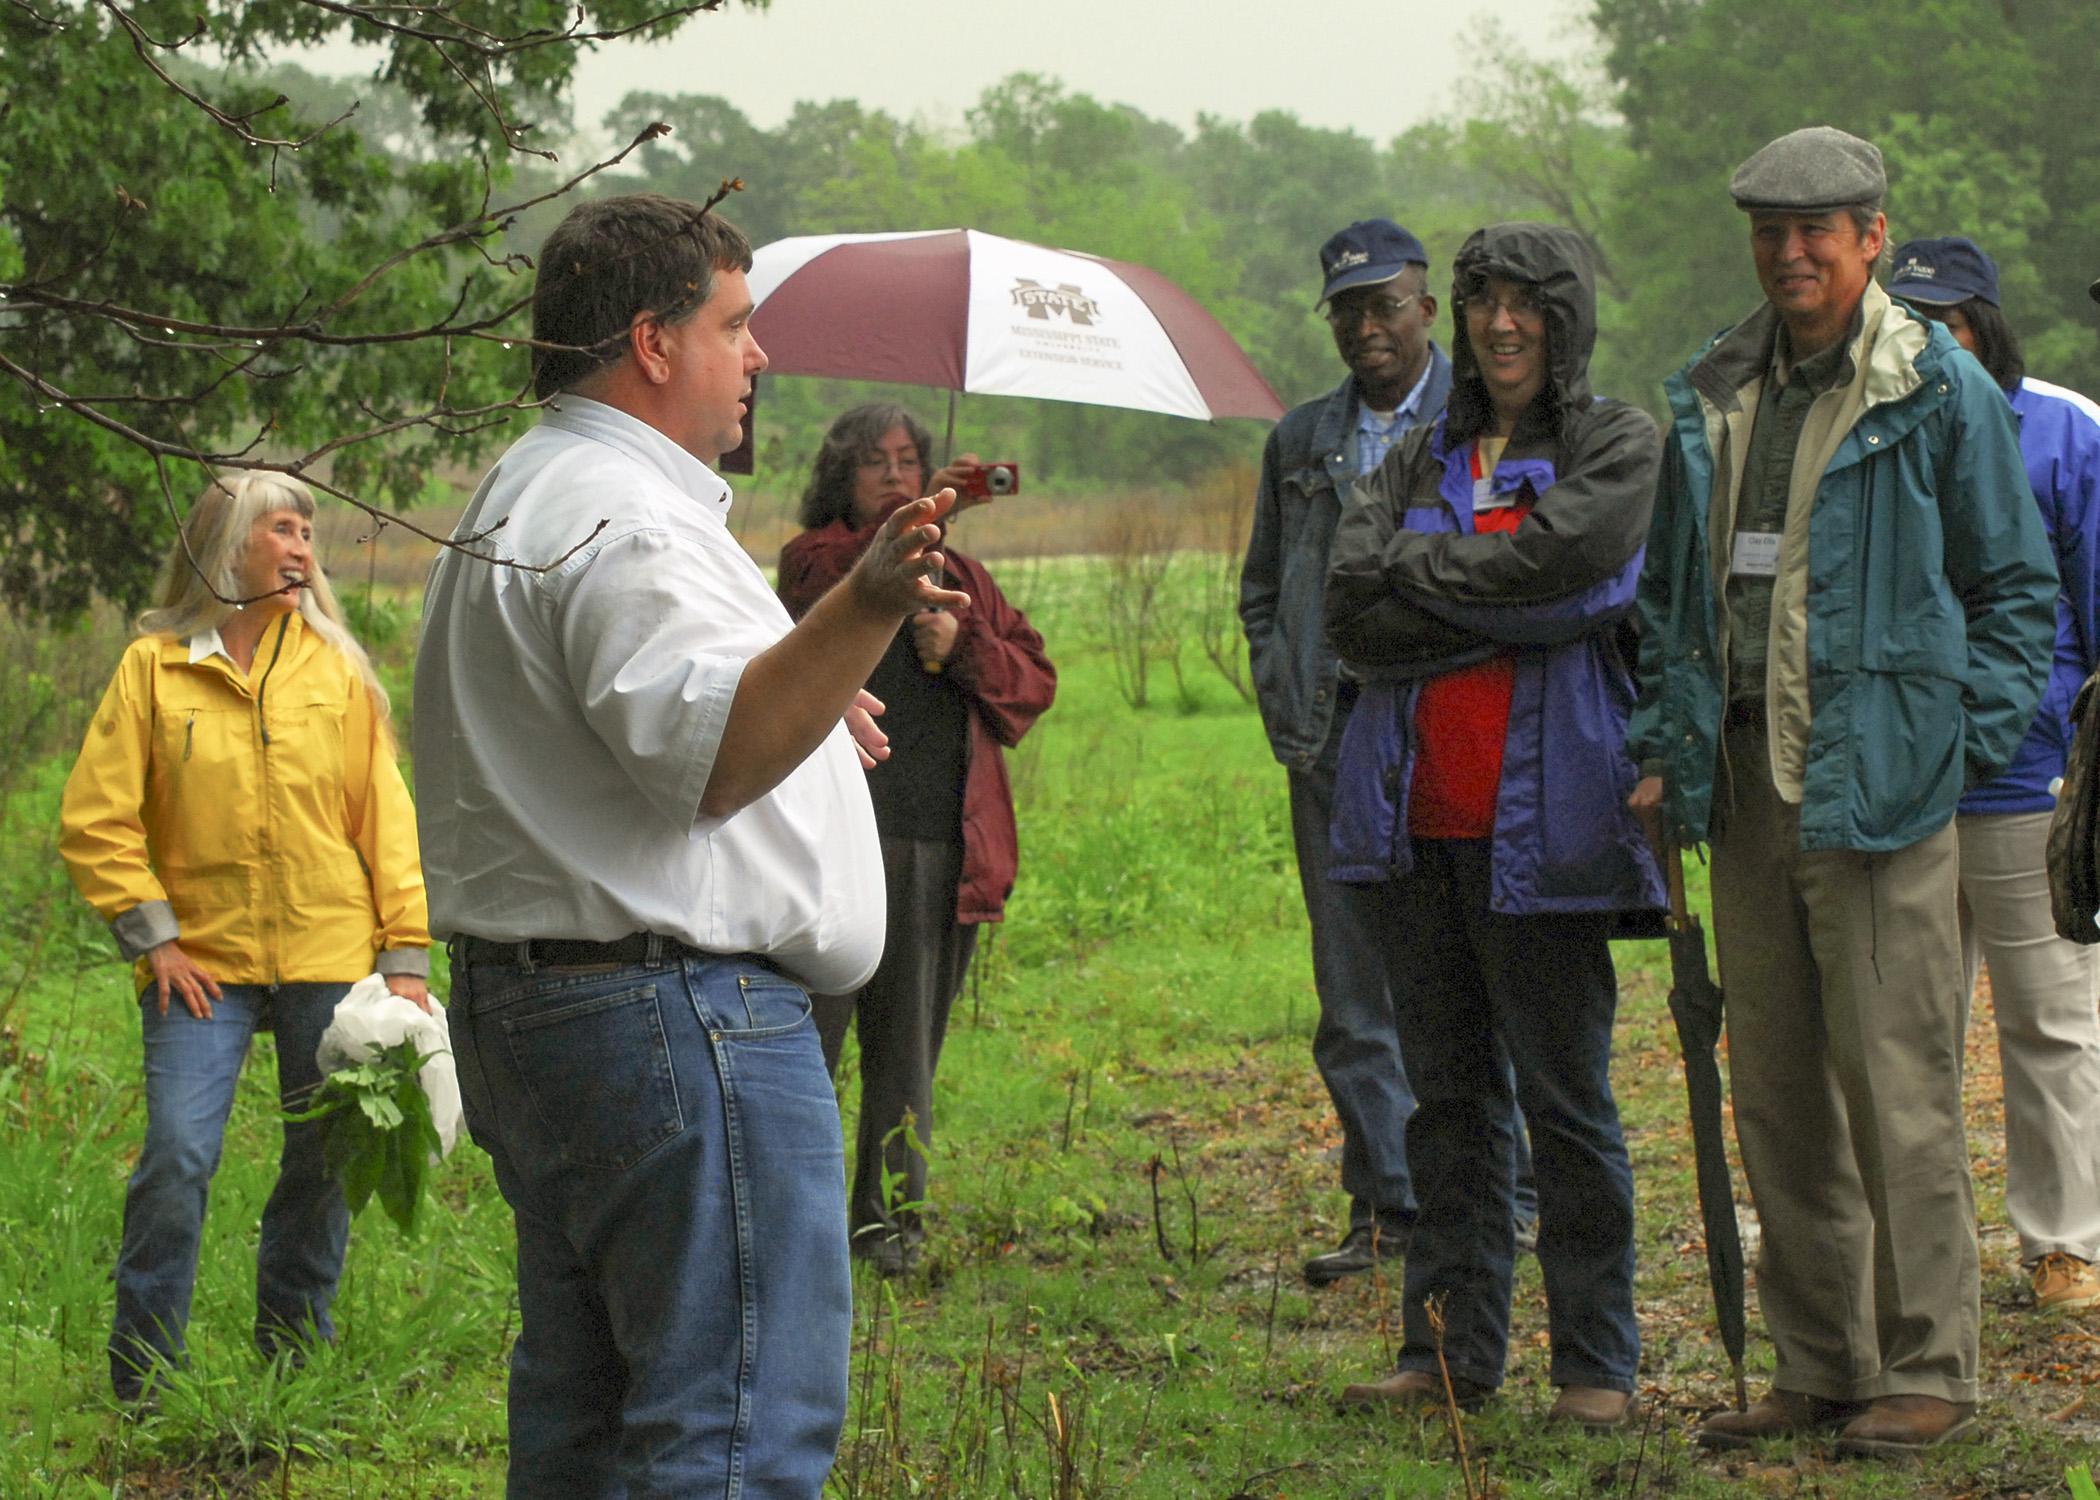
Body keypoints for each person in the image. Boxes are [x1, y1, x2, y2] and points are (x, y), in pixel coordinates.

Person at [414, 193, 961, 1498]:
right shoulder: (625, 514)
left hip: (567, 1006)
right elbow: (712, 755)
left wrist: (815, 684)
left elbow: (667, 720)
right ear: (654, 344)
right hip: (672, 1016)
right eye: (736, 324)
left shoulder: (536, 491)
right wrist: (868, 601)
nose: (758, 356)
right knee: (733, 1433)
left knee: (591, 1427)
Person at [1626, 128, 2058, 1457]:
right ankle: (1822, 1360)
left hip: (1880, 800)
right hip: (1745, 792)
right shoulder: (1711, 389)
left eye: (1820, 229)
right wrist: (1665, 742)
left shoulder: (1937, 389)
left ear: (1874, 236)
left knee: (1900, 1089)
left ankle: (1930, 1363)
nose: (1792, 252)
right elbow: (1670, 603)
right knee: (1779, 1096)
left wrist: (1947, 750)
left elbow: (2016, 597)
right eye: (1771, 230)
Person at [1325, 222, 1663, 1430]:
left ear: (1563, 315)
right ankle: (1444, 1353)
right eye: (1482, 303)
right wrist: (1507, 588)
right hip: (1412, 824)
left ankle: (1596, 1368)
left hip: (1552, 829)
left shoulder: (1616, 443)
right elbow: (1350, 610)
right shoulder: (1420, 456)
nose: (1501, 323)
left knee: (1568, 1106)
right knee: (1445, 1102)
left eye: (1526, 302)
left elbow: (1592, 575)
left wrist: (1431, 572)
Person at [58, 472, 430, 1402]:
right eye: (285, 529)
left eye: (309, 533)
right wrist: (155, 940)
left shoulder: (336, 668)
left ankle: (293, 1359)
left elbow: (384, 816)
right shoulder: (153, 667)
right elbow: (97, 819)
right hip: (203, 965)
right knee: (179, 1156)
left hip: (330, 952)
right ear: (229, 545)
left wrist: (405, 956)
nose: (304, 548)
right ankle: (144, 1380)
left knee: (322, 1161)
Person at [1240, 220, 1538, 1286]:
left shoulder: (1494, 418)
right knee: (1353, 986)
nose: (1369, 325)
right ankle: (1390, 1204)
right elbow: (1265, 588)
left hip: (1455, 733)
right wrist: (1287, 701)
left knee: (1480, 973)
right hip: (1334, 738)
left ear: (1428, 309)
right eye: (1348, 309)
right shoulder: (1304, 439)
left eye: (1387, 303)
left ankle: (1505, 1195)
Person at [776, 403, 1055, 1275]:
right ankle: (796, 1226)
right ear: (842, 476)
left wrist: (960, 635)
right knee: (807, 1048)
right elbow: (805, 620)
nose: (894, 476)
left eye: (908, 461)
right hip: (833, 844)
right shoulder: (817, 559)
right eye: (875, 464)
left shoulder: (962, 576)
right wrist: (903, 550)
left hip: (939, 845)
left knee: (907, 1056)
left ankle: (891, 1228)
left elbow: (1031, 686)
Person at [1886, 235, 2100, 1315]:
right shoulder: (1869, 425)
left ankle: (2063, 1243)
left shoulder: (2064, 428)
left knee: (2049, 1015)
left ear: (1989, 325)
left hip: (2030, 780)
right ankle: (1929, 1261)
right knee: (1910, 1028)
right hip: (1901, 781)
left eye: (1954, 322)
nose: (1937, 344)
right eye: (1917, 323)